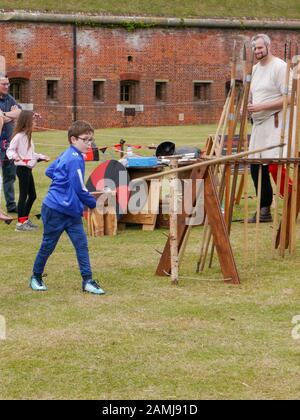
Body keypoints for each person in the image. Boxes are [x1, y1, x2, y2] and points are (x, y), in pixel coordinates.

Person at [30, 120, 105, 295]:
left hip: (72, 213)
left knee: (82, 245)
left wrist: (63, 183)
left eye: (91, 140)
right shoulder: (73, 159)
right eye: (85, 139)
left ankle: (87, 280)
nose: (89, 144)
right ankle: (35, 277)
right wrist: (94, 204)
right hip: (54, 210)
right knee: (48, 245)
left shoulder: (73, 155)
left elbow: (50, 171)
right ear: (73, 139)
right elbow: (80, 187)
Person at [247, 33, 292, 223]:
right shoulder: (255, 69)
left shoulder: (279, 67)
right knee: (256, 166)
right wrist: (250, 106)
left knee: (274, 165)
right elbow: (253, 94)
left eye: (260, 47)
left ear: (268, 46)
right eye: (255, 48)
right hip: (258, 124)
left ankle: (294, 199)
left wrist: (261, 107)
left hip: (275, 121)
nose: (257, 51)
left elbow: (289, 98)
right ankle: (264, 209)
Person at [6, 110, 50, 231]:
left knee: (33, 195)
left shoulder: (28, 136)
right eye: (33, 120)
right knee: (24, 195)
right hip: (22, 169)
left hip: (27, 169)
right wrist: (15, 157)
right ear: (27, 122)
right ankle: (20, 224)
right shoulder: (19, 136)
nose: (35, 122)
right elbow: (10, 150)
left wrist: (41, 156)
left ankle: (24, 219)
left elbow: (30, 154)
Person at [0, 75, 22, 213]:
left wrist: (5, 115)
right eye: (4, 84)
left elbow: (19, 112)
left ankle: (11, 205)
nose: (7, 86)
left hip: (8, 145)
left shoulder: (9, 98)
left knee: (10, 176)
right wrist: (10, 115)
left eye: (8, 84)